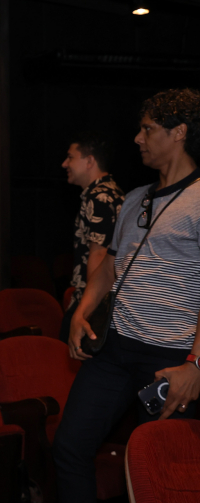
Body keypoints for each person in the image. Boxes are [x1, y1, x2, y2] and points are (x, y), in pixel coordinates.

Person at [54, 88, 200, 502]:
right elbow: (110, 268)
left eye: (148, 129)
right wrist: (82, 312)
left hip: (170, 360)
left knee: (165, 472)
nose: (138, 138)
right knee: (69, 447)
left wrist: (197, 365)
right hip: (115, 352)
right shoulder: (135, 198)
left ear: (179, 133)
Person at [59, 133, 125, 342]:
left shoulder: (98, 197)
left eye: (70, 157)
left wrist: (88, 309)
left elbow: (99, 254)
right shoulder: (116, 192)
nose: (64, 164)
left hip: (92, 302)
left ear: (89, 161)